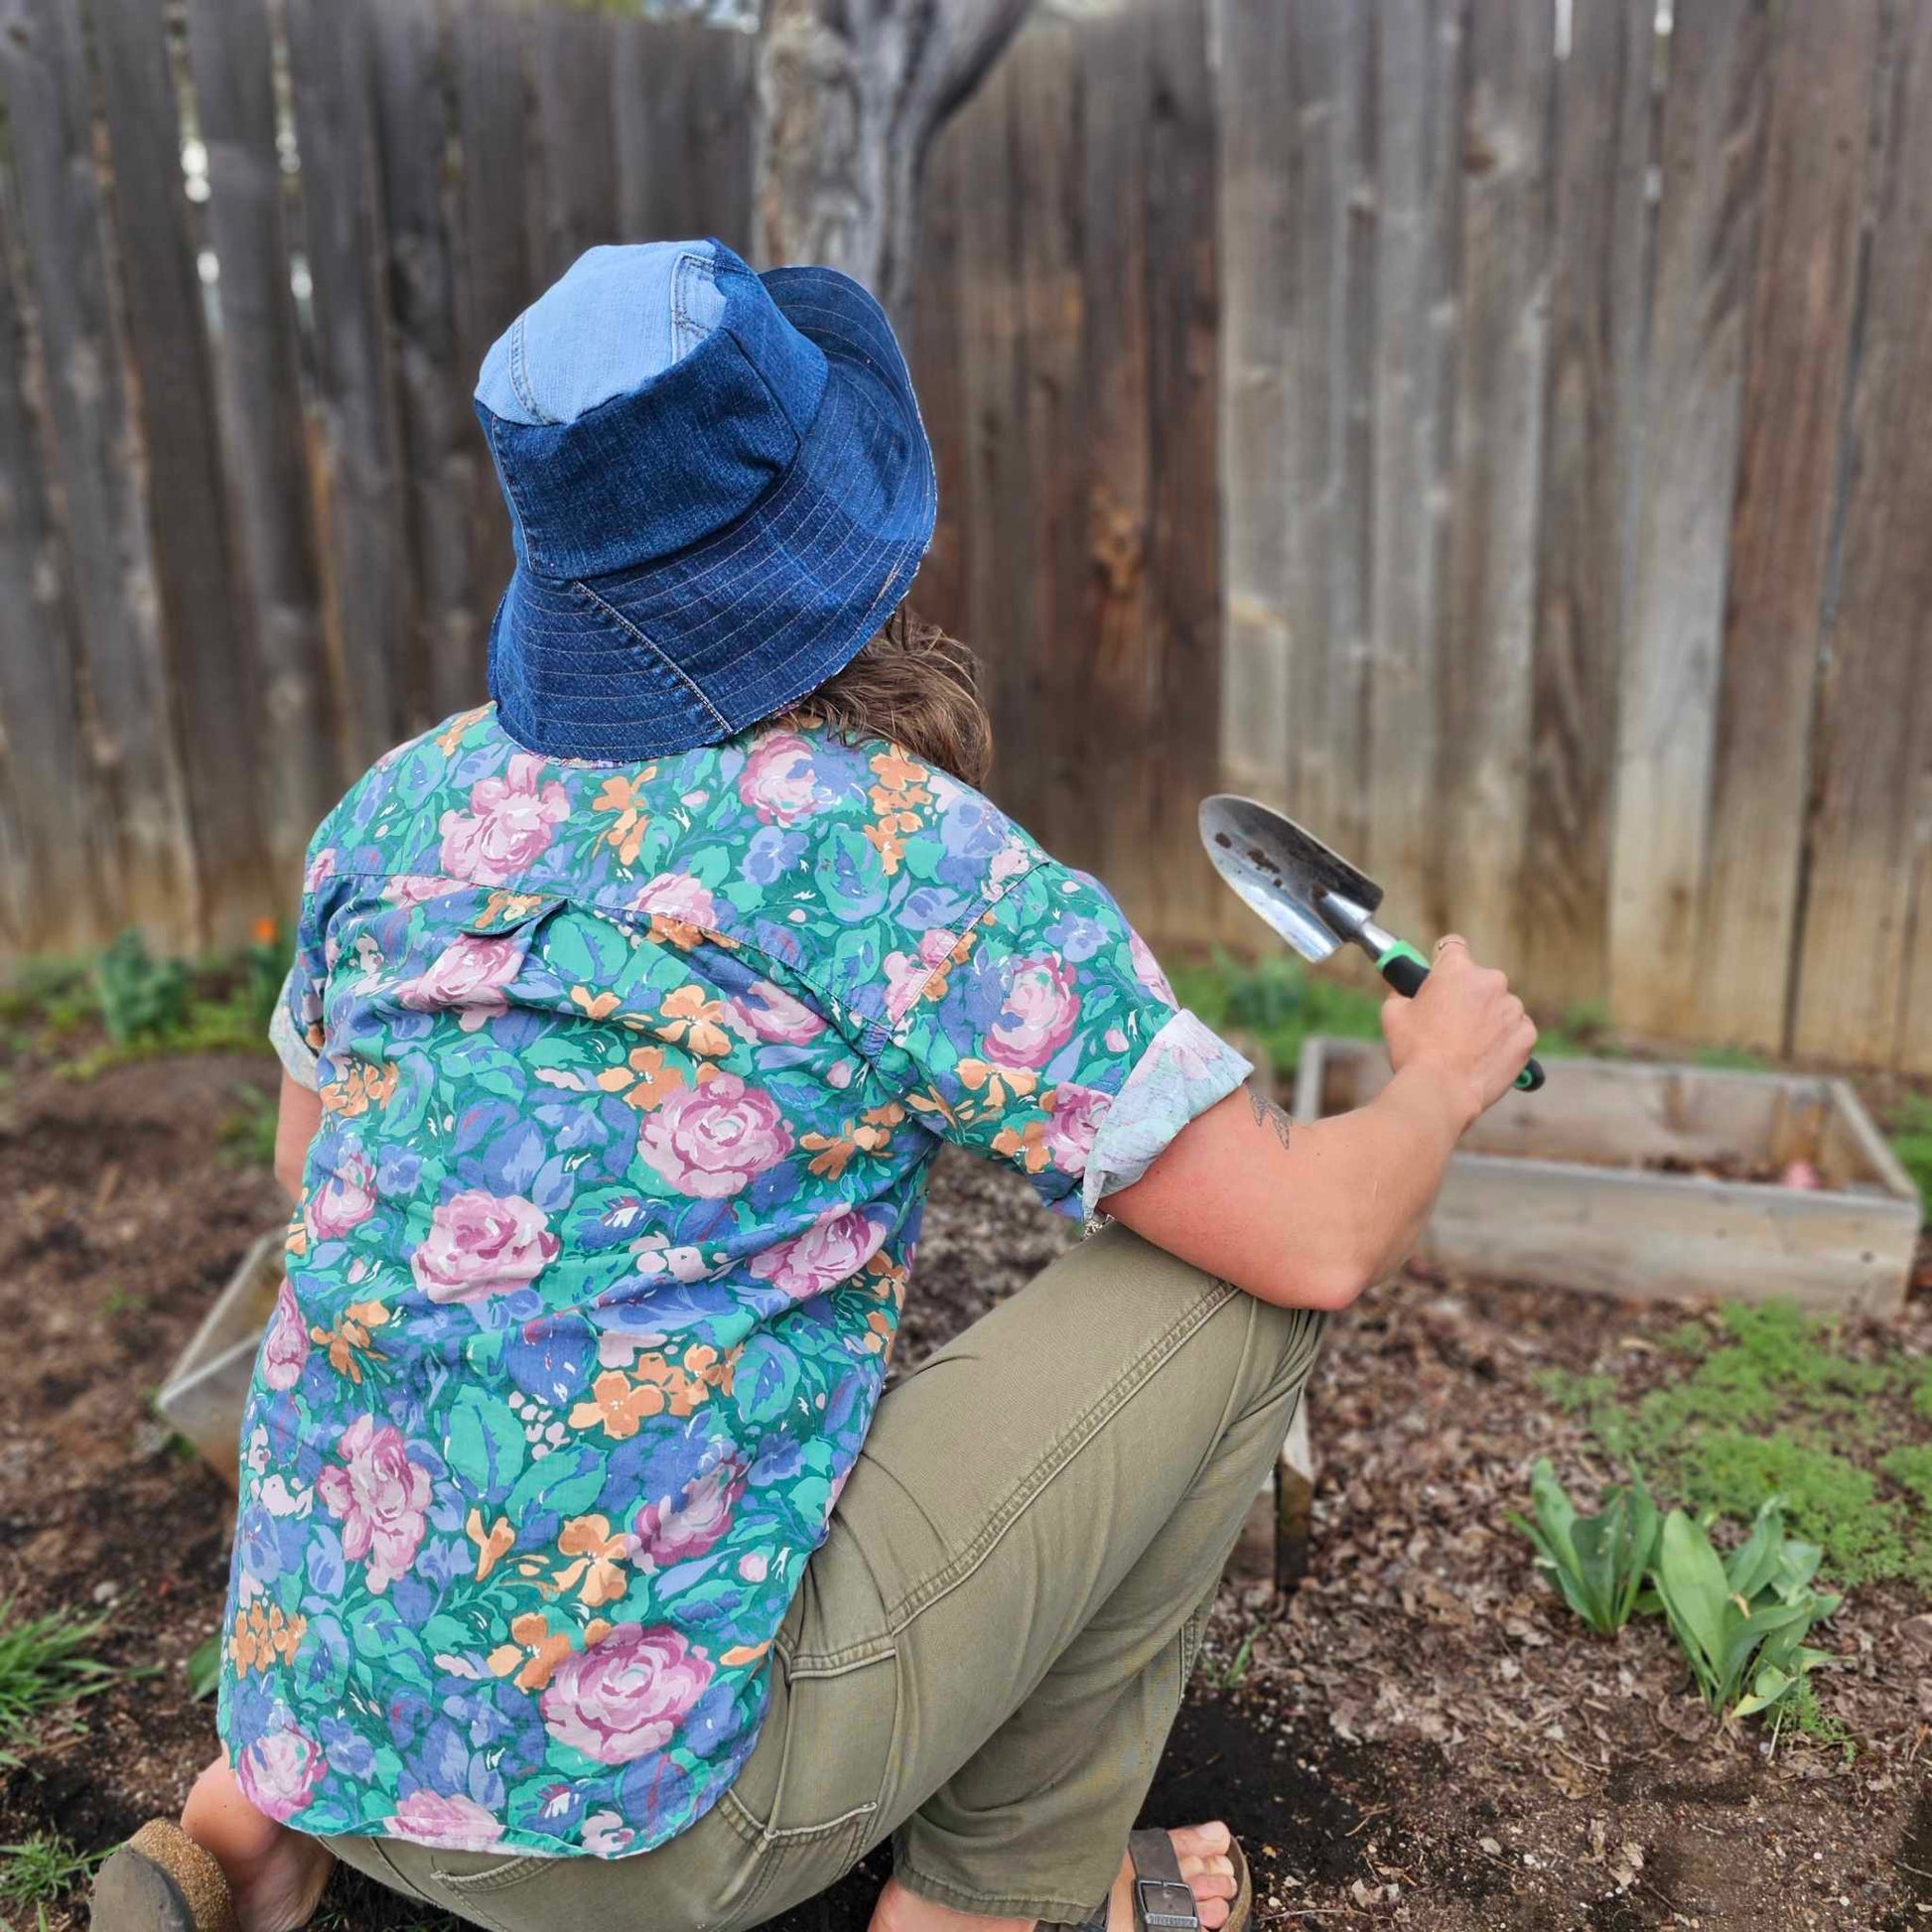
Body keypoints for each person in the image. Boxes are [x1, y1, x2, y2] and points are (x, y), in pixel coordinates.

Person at [94, 240, 1535, 1932]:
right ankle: (987, 1900)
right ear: (845, 530)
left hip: (312, 1712)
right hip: (638, 1837)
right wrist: (1438, 1079)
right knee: (1237, 1300)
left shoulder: (402, 806)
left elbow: (307, 1167)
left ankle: (244, 1839)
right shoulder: (896, 853)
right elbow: (1310, 1236)